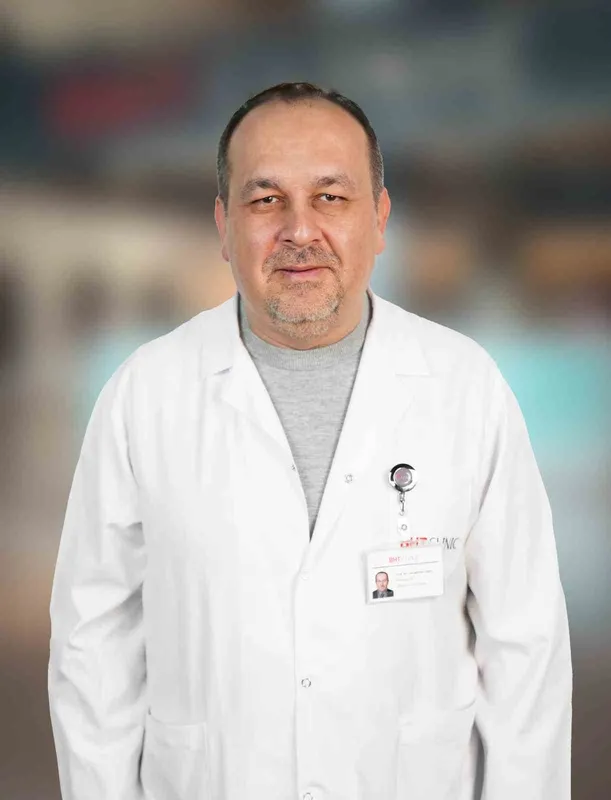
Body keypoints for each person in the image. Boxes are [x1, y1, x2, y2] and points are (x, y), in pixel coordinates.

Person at [48, 82, 572, 800]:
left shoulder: (464, 387)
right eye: (266, 200)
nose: (300, 230)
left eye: (331, 197)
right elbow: (92, 642)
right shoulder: (145, 394)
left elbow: (526, 644)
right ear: (223, 225)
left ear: (379, 218)